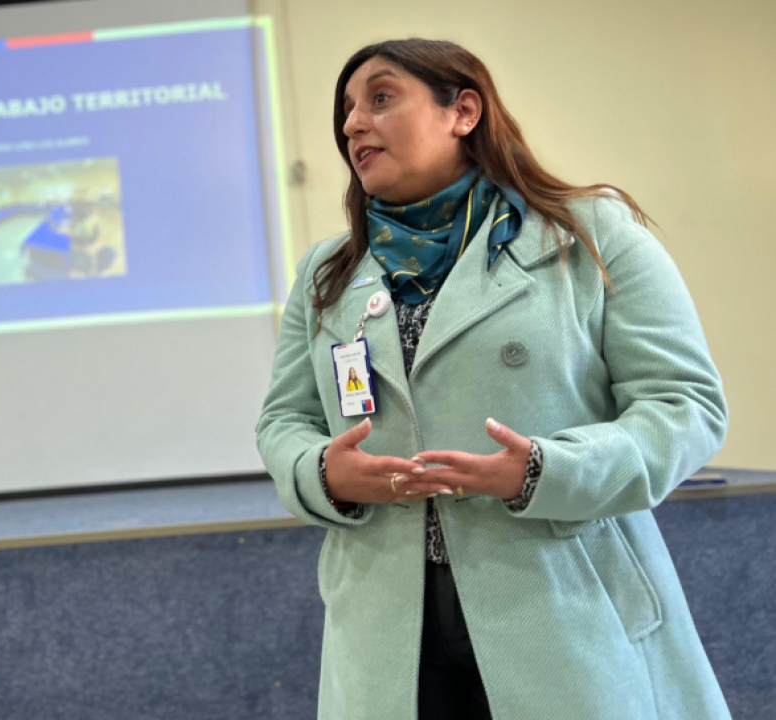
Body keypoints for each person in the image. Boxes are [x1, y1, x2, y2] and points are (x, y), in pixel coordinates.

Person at [256, 39, 730, 720]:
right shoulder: (327, 273)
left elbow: (684, 405)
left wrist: (543, 472)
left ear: (464, 112)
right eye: (348, 110)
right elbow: (284, 421)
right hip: (387, 628)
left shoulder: (588, 233)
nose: (353, 123)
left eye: (381, 98)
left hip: (563, 605)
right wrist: (323, 474)